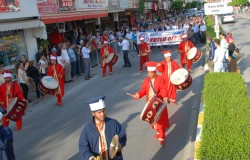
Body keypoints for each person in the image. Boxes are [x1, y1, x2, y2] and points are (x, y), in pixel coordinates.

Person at [130, 62, 169, 145]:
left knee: (160, 122)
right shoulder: (146, 80)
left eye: (152, 72)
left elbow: (163, 89)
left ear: (155, 72)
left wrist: (165, 96)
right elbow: (143, 91)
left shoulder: (160, 79)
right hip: (150, 104)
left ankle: (162, 137)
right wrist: (138, 95)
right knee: (153, 121)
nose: (150, 74)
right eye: (149, 72)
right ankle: (158, 133)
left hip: (159, 103)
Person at [79, 96, 127, 160]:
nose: (102, 114)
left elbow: (122, 136)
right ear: (93, 113)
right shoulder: (87, 130)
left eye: (103, 111)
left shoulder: (113, 123)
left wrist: (119, 145)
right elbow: (83, 148)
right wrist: (91, 157)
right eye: (99, 112)